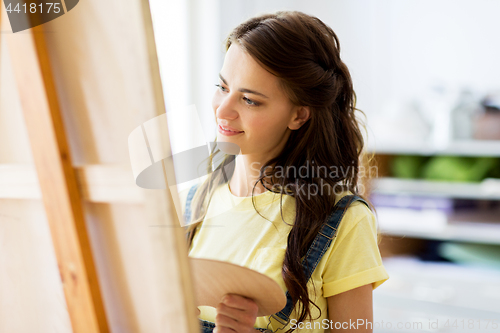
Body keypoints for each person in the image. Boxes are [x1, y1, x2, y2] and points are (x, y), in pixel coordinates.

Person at [181, 10, 389, 333]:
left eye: (249, 100)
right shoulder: (190, 204)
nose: (222, 109)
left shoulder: (344, 222)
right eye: (222, 87)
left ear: (299, 115)